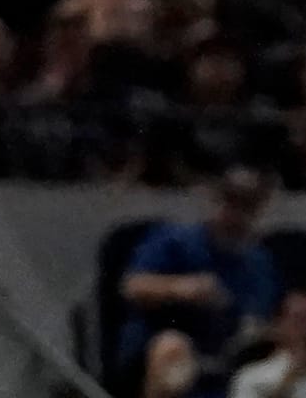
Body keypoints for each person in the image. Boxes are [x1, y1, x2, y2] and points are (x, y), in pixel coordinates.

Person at [118, 167, 281, 398]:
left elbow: (262, 317)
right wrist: (181, 288)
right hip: (162, 347)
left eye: (247, 206)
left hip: (229, 355)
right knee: (173, 351)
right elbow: (132, 286)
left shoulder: (258, 262)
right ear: (215, 201)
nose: (236, 214)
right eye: (230, 202)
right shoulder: (175, 240)